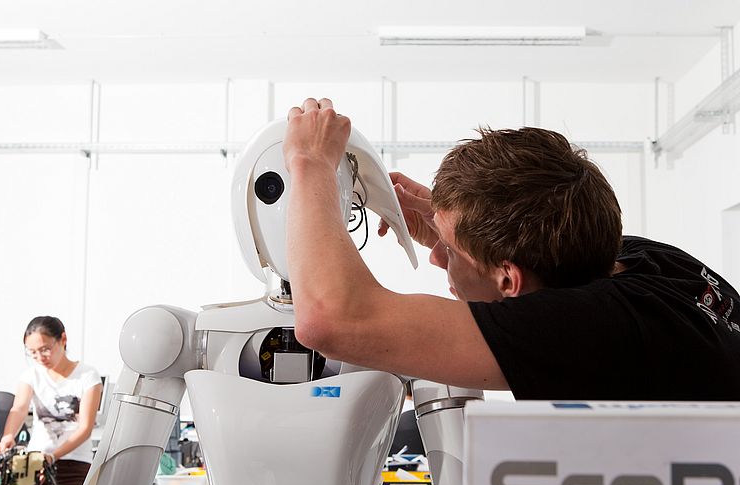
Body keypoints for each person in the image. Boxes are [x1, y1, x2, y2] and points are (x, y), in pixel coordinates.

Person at [282, 97, 740, 400]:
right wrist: (448, 227)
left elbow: (331, 320)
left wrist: (309, 163)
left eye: (451, 252)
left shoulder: (591, 329)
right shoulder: (642, 261)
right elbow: (528, 226)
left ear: (509, 279)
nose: (438, 257)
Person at [0, 316, 102, 485]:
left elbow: (85, 428)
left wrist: (54, 455)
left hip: (73, 462)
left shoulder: (87, 376)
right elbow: (19, 408)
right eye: (31, 352)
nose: (39, 357)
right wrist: (8, 436)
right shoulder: (31, 375)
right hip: (34, 461)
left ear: (62, 339)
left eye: (45, 349)